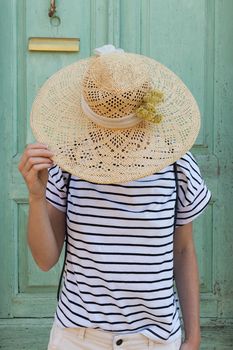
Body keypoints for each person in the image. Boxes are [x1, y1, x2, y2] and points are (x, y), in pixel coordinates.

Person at [18, 45, 211, 350]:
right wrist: (36, 196)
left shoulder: (175, 163)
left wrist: (193, 336)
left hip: (155, 340)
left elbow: (184, 251)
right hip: (77, 338)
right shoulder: (69, 161)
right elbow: (45, 259)